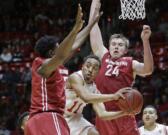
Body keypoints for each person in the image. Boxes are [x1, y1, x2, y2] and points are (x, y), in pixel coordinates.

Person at [25, 4, 101, 135]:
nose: (63, 48)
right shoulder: (41, 64)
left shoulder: (56, 65)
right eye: (58, 47)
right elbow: (61, 54)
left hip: (44, 120)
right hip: (47, 116)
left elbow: (74, 44)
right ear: (51, 52)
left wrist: (91, 25)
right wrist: (75, 28)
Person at [88, 0, 154, 135]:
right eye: (113, 44)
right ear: (109, 47)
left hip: (125, 112)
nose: (116, 46)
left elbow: (148, 69)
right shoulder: (103, 56)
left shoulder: (130, 62)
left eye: (120, 44)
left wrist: (145, 41)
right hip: (105, 113)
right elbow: (93, 31)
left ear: (125, 50)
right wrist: (94, 7)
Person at [65, 55, 133, 135]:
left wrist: (124, 113)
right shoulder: (75, 77)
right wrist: (113, 96)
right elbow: (86, 97)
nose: (90, 70)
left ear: (98, 72)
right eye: (88, 66)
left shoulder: (94, 89)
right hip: (60, 115)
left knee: (94, 133)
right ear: (82, 66)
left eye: (95, 68)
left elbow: (102, 114)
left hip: (75, 118)